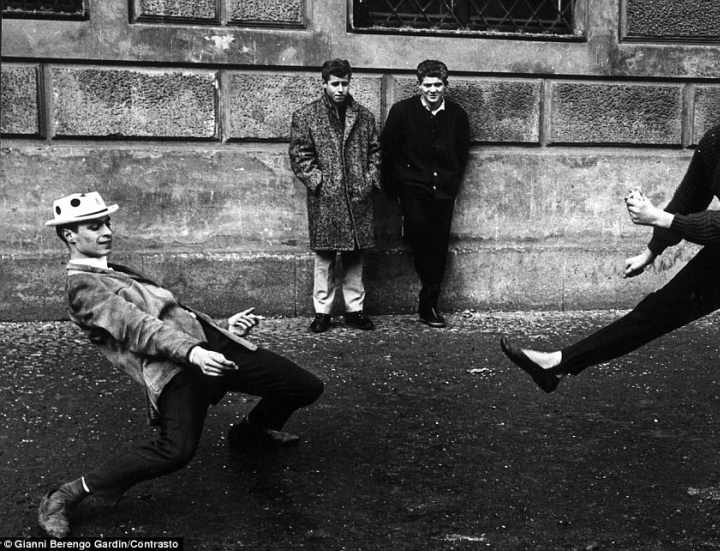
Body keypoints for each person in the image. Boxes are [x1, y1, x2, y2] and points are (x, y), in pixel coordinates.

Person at [500, 38, 720, 515]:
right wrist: (652, 251)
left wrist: (656, 220)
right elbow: (689, 202)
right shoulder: (718, 141)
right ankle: (557, 364)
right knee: (654, 312)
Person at [38, 192, 325, 539]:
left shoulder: (111, 269)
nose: (107, 232)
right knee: (175, 450)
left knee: (305, 386)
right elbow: (138, 327)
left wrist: (224, 328)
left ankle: (249, 433)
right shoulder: (82, 287)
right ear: (69, 234)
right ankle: (66, 494)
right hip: (176, 369)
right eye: (94, 226)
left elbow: (173, 315)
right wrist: (194, 354)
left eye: (108, 223)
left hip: (209, 346)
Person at [289, 58, 382, 334]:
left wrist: (369, 180)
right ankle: (322, 312)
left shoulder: (364, 116)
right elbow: (299, 155)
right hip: (326, 199)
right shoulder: (307, 115)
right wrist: (319, 182)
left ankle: (355, 310)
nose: (340, 89)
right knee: (325, 257)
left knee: (354, 256)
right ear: (324, 84)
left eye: (345, 83)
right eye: (335, 84)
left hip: (357, 197)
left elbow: (375, 152)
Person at [381, 59, 471, 328]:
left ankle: (429, 304)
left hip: (443, 191)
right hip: (413, 189)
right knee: (419, 234)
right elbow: (388, 151)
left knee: (439, 244)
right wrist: (394, 189)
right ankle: (427, 294)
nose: (433, 90)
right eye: (427, 85)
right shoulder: (402, 112)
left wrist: (452, 184)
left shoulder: (456, 115)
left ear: (446, 85)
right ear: (418, 85)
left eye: (438, 85)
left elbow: (461, 153)